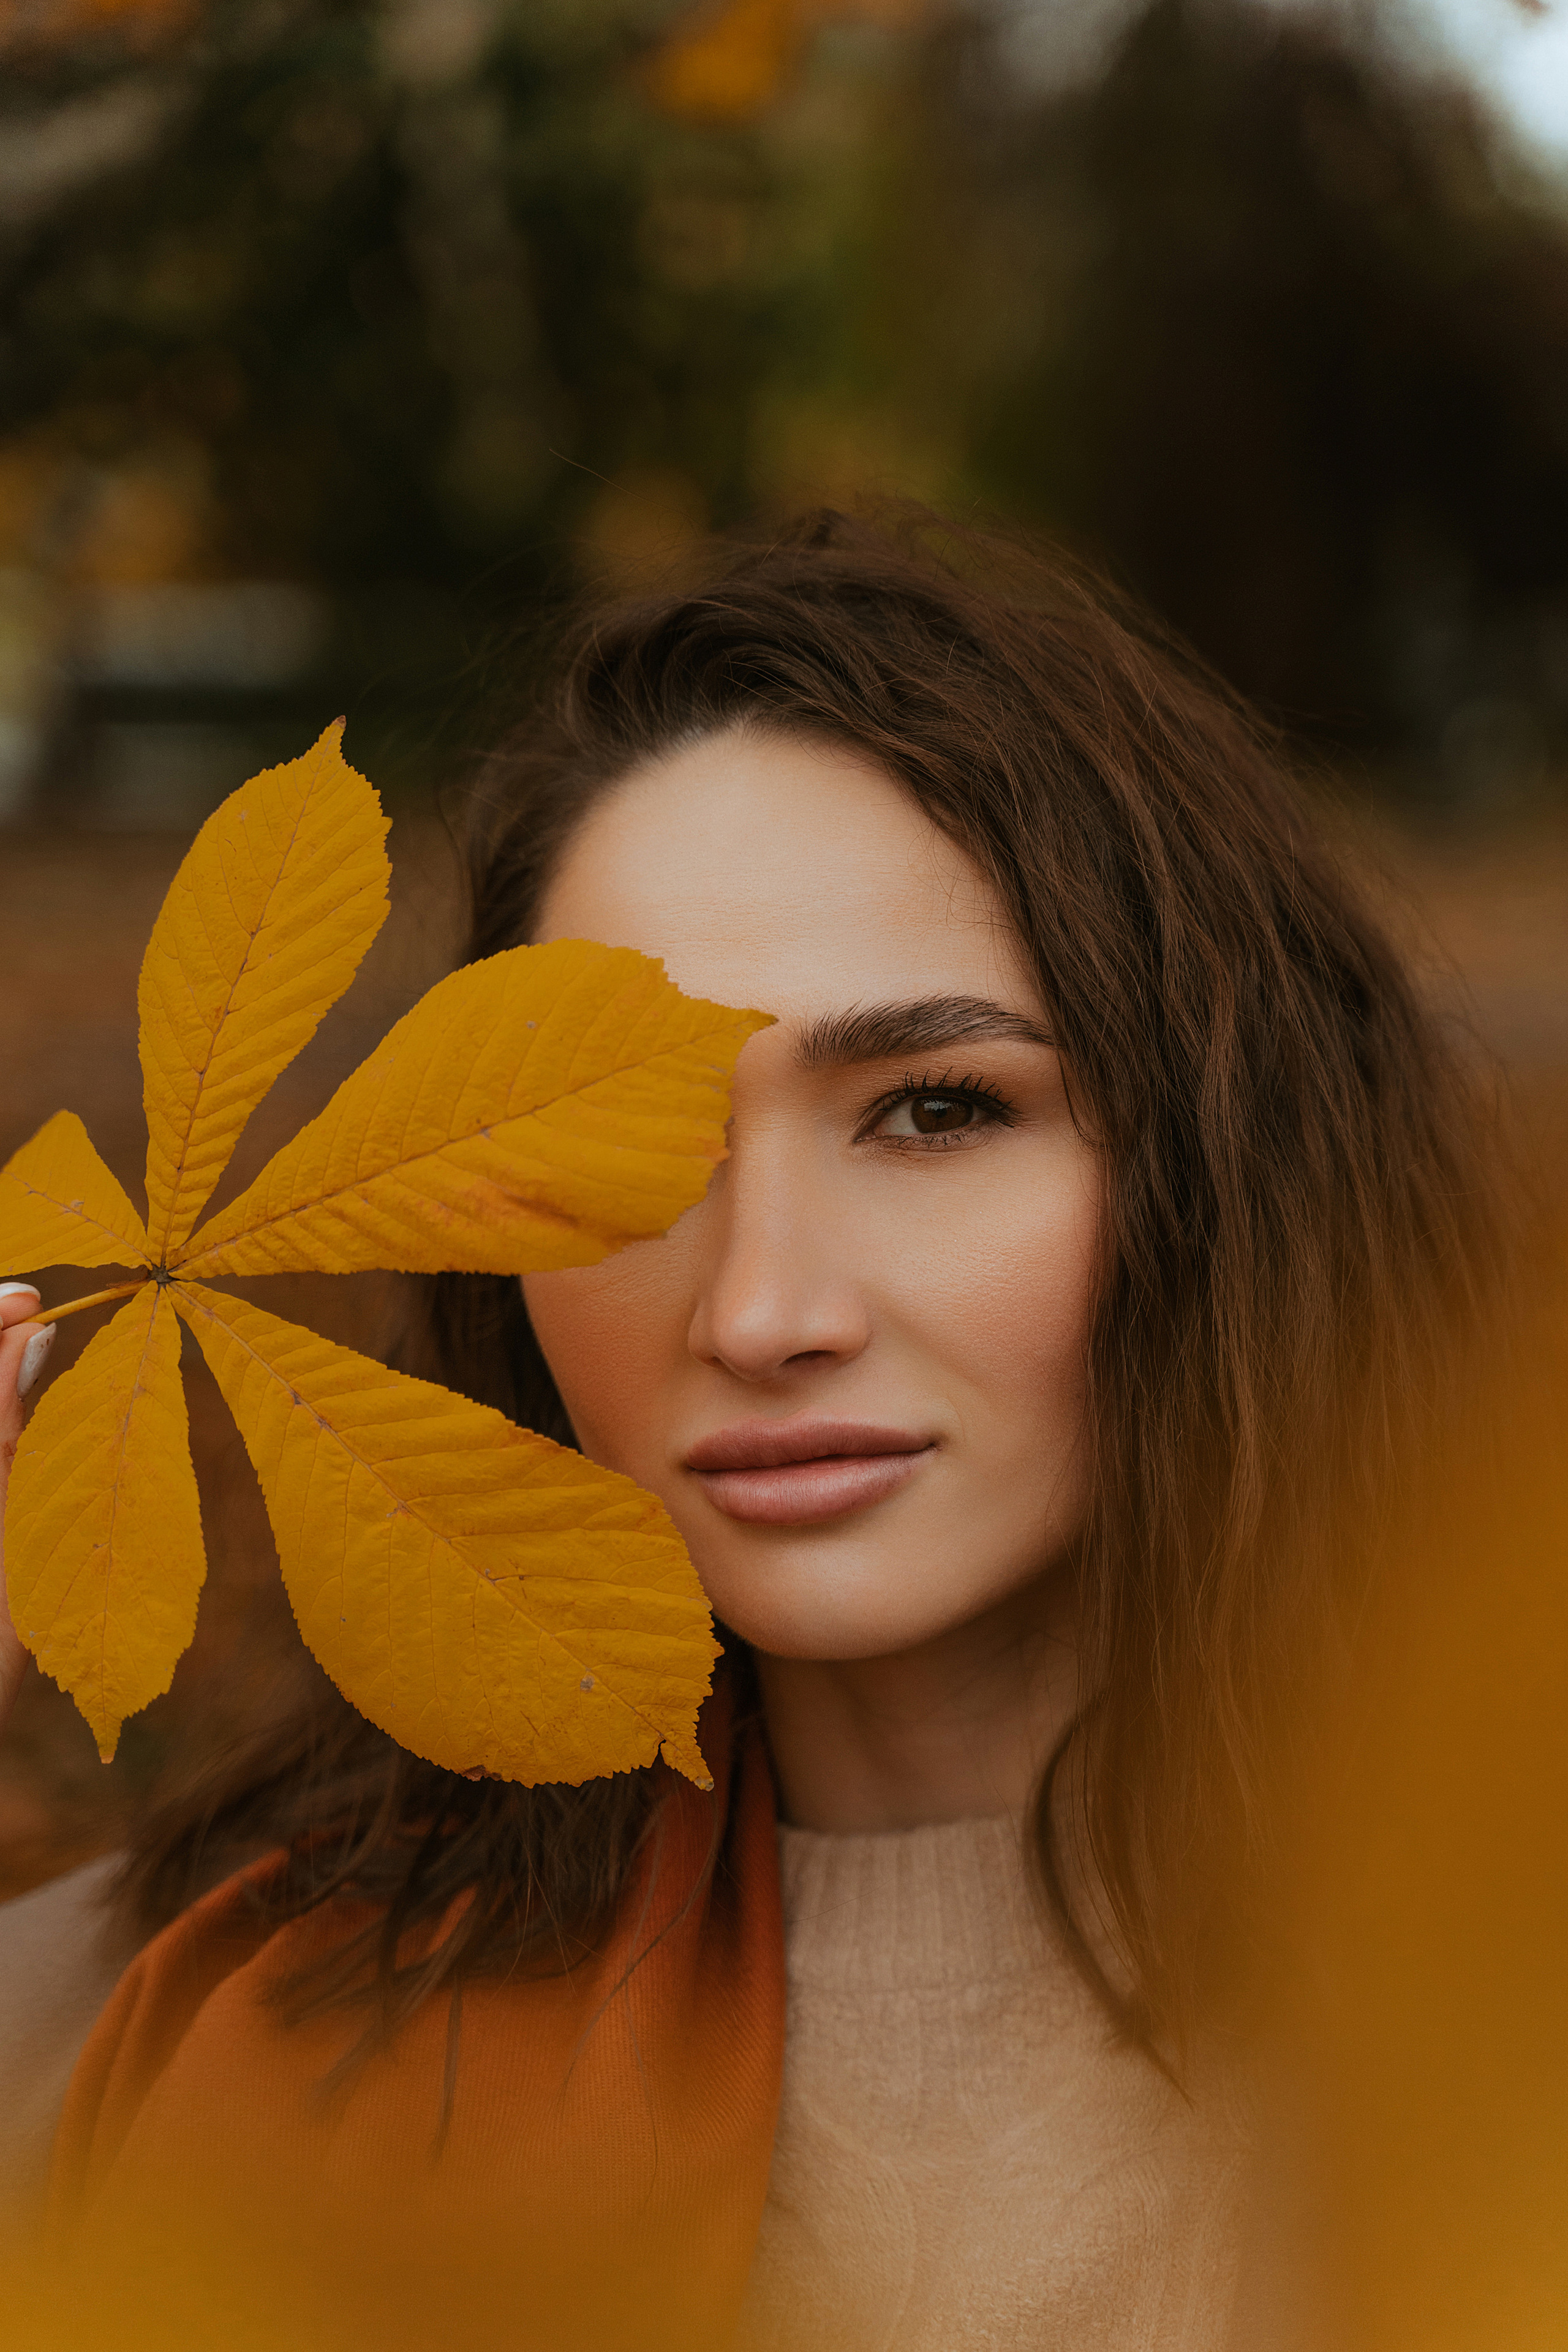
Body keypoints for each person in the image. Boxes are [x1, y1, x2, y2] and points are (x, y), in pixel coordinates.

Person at [0, 510, 1501, 2351]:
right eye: (620, 1163)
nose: (764, 1311)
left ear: (1221, 1156)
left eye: (937, 1111)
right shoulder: (157, 2016)